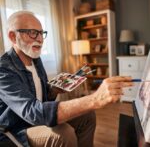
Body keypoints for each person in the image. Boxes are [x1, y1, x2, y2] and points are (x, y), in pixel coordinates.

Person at [0, 11, 133, 147]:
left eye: (41, 33)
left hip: (35, 119)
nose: (40, 39)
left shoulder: (36, 60)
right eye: (33, 33)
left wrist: (53, 90)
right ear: (12, 36)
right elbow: (33, 112)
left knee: (87, 116)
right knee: (64, 133)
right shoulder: (3, 70)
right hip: (16, 130)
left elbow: (41, 98)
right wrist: (95, 99)